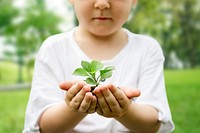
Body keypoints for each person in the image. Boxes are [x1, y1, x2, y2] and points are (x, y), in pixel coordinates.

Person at [23, 0, 175, 132]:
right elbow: (44, 127)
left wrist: (126, 110)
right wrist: (73, 109)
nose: (102, 3)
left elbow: (152, 124)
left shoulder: (147, 49)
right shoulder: (54, 48)